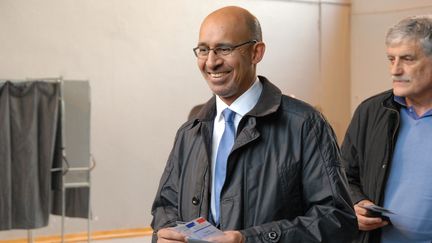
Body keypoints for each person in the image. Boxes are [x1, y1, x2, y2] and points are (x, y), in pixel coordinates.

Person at [151, 6, 357, 243]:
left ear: (256, 52)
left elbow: (337, 220)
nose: (211, 62)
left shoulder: (305, 125)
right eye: (203, 50)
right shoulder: (190, 132)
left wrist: (248, 239)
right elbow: (165, 206)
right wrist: (167, 234)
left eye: (224, 49)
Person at [341, 15, 432, 243]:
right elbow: (343, 175)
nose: (395, 70)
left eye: (407, 59)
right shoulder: (371, 112)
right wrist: (356, 203)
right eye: (391, 59)